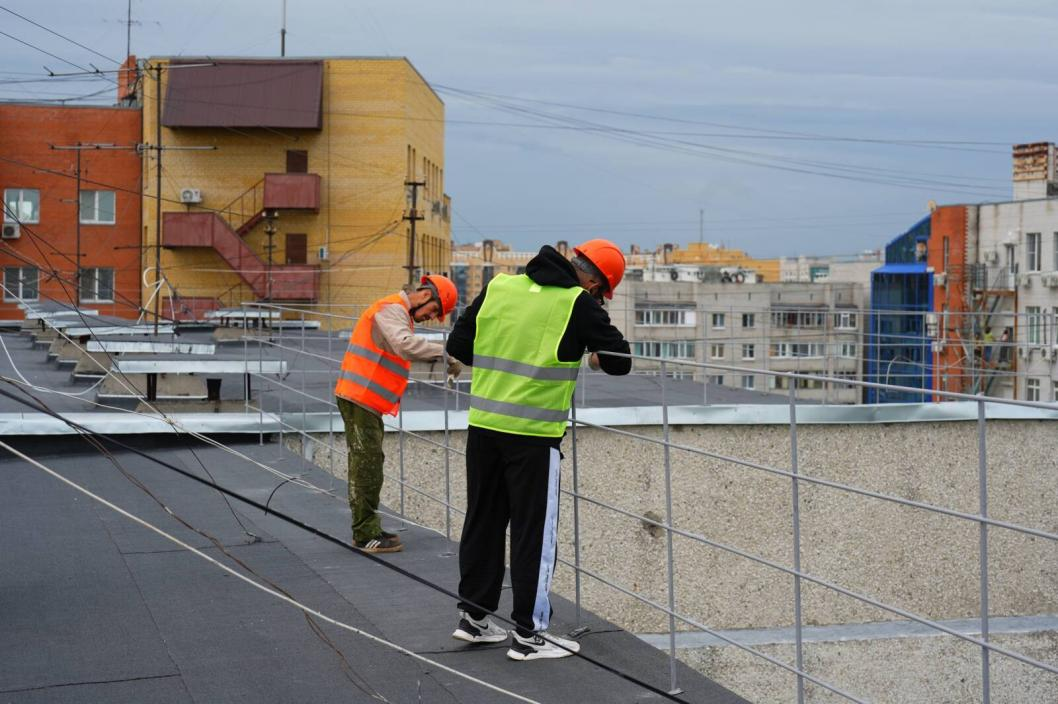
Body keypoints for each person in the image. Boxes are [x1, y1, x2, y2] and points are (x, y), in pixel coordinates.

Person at [445, 239, 631, 660]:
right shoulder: (576, 304)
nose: (597, 299)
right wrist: (591, 353)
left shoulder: (500, 287)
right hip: (533, 436)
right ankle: (530, 636)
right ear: (592, 279)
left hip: (485, 427)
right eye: (600, 291)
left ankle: (473, 619)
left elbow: (458, 345)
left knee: (483, 522)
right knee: (534, 535)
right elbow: (620, 360)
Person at [334, 275, 461, 553]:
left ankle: (368, 528)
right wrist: (445, 353)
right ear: (427, 296)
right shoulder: (391, 310)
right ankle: (365, 534)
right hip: (359, 398)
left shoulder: (398, 313)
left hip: (365, 400)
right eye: (434, 311)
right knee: (366, 466)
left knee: (369, 463)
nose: (431, 317)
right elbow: (404, 345)